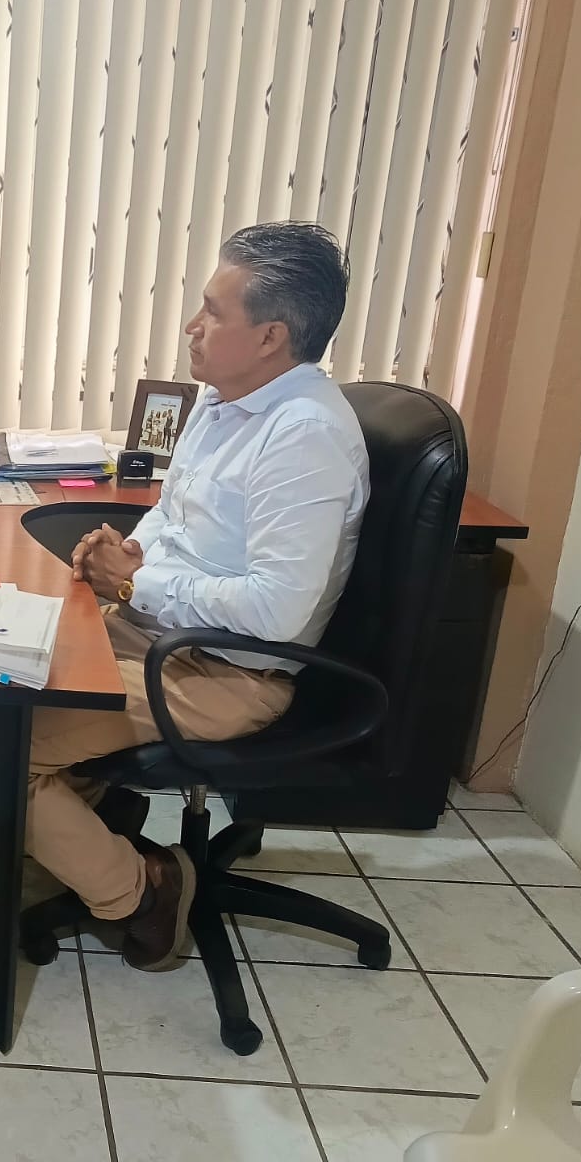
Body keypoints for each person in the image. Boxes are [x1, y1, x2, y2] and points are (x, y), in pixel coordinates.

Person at [25, 221, 369, 972]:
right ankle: (95, 824)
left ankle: (142, 891)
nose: (193, 325)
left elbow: (275, 610)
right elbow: (175, 516)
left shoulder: (303, 436)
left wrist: (136, 581)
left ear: (271, 336)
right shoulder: (223, 401)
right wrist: (129, 553)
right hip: (154, 631)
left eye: (214, 312)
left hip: (227, 671)